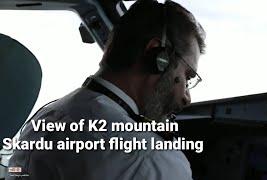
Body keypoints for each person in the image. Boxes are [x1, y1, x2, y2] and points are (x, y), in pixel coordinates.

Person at [7, 0, 205, 179]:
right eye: (187, 76)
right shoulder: (154, 161)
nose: (187, 97)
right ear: (157, 56)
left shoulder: (45, 118)